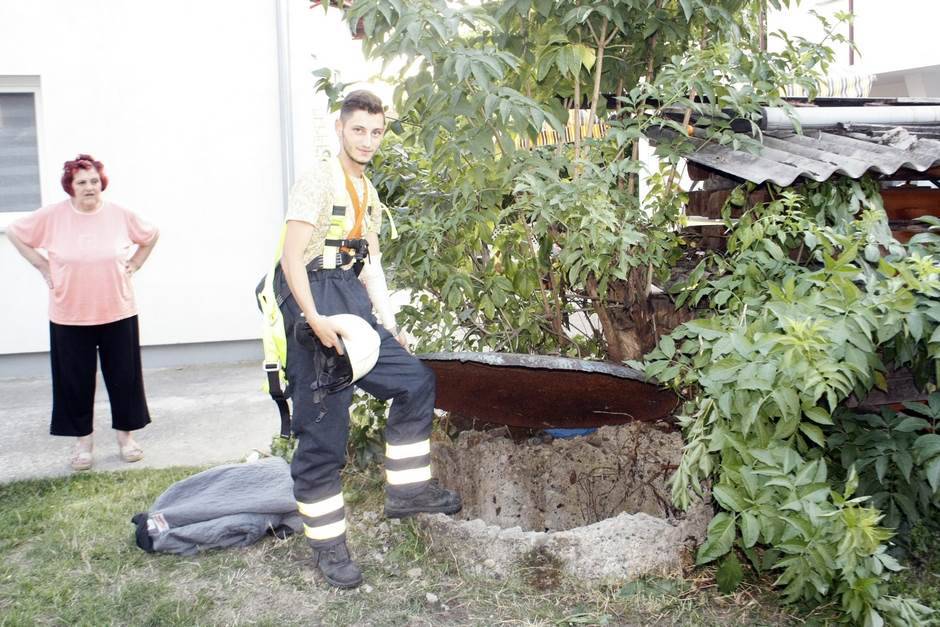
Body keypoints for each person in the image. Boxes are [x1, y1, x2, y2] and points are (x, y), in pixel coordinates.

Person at [277, 90, 461, 589]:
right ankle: (329, 549)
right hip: (312, 300)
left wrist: (391, 321)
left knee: (416, 382)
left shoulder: (368, 192)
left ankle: (407, 490)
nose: (368, 140)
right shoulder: (318, 180)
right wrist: (313, 317)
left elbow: (371, 265)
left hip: (351, 302)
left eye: (376, 132)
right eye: (359, 129)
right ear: (340, 129)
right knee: (324, 437)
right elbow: (292, 256)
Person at [7, 154, 159, 471]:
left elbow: (150, 234)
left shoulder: (119, 215)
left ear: (101, 183)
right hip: (69, 314)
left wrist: (136, 263)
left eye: (93, 181)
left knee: (124, 378)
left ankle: (126, 439)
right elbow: (14, 232)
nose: (89, 187)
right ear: (70, 186)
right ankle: (82, 443)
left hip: (118, 309)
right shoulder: (52, 217)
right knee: (74, 381)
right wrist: (41, 265)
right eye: (81, 182)